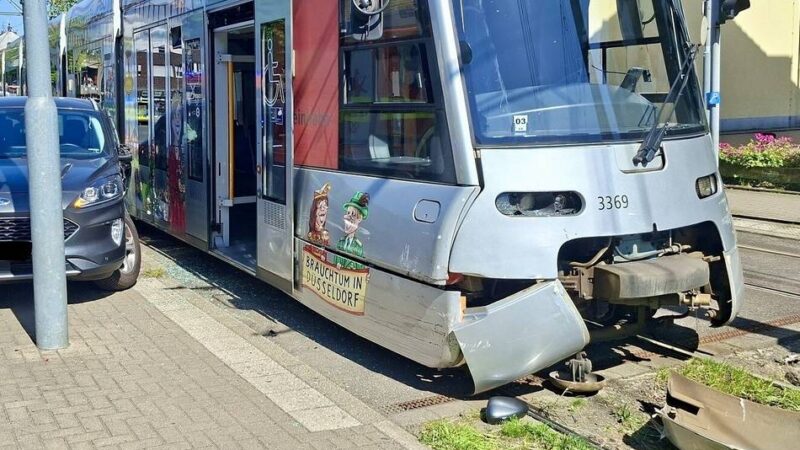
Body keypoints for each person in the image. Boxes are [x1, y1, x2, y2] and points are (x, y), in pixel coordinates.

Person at [334, 192, 369, 270]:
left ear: (359, 219)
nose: (348, 217)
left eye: (353, 214)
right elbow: (334, 261)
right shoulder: (341, 242)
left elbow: (359, 270)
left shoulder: (358, 246)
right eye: (348, 213)